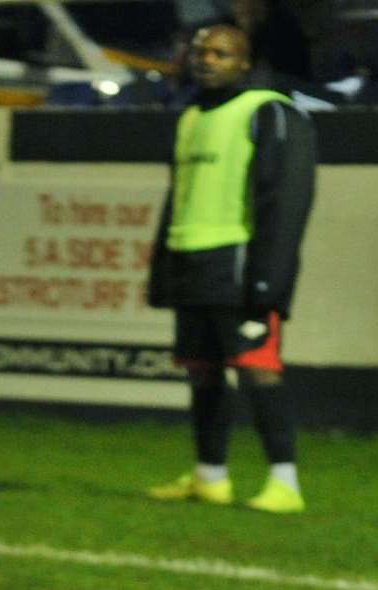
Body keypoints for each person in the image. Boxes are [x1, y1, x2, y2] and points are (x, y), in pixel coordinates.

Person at [146, 25, 316, 514]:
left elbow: (284, 201)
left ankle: (285, 482)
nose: (207, 60)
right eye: (200, 51)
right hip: (191, 263)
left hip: (239, 266)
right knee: (203, 373)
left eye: (220, 53)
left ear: (244, 62)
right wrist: (163, 267)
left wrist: (270, 280)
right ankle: (210, 476)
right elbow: (177, 198)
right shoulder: (192, 114)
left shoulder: (268, 110)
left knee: (258, 371)